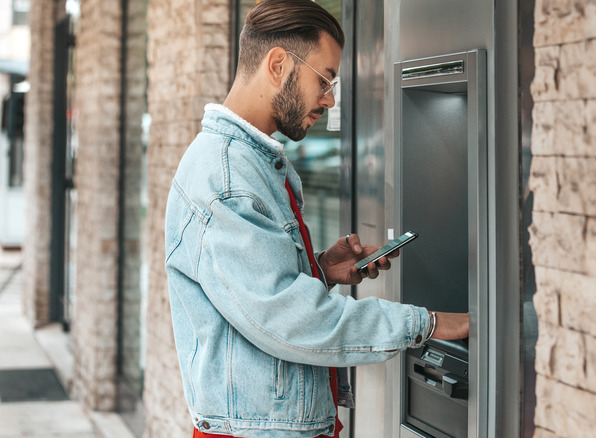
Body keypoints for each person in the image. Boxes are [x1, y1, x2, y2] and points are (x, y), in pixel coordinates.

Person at [164, 1, 469, 437]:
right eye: (324, 79)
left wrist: (319, 270)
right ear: (278, 64)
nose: (329, 98)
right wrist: (433, 322)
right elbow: (291, 321)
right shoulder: (226, 177)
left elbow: (257, 296)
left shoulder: (250, 163)